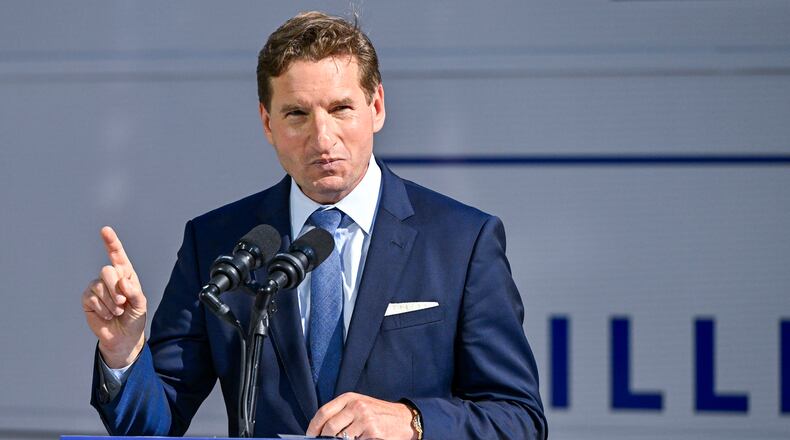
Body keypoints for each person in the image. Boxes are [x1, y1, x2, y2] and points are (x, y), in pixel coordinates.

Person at [82, 11, 546, 439]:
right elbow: (153, 425)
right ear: (267, 122)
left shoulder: (462, 241)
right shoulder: (217, 243)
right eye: (297, 114)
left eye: (341, 108)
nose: (322, 138)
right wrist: (125, 354)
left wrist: (414, 421)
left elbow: (518, 418)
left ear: (377, 107)